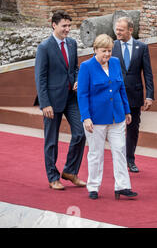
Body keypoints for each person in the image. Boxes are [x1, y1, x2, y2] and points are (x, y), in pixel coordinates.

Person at [77, 34, 137, 200]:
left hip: (116, 116)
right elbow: (82, 94)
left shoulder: (116, 62)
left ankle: (122, 186)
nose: (107, 54)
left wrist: (127, 111)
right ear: (95, 50)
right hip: (95, 118)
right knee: (96, 153)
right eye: (104, 51)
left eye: (109, 51)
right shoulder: (86, 67)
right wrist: (85, 117)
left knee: (119, 150)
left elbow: (121, 88)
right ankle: (93, 186)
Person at [34, 10, 86, 190]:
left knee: (80, 133)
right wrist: (45, 103)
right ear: (54, 25)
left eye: (69, 26)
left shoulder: (72, 44)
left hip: (71, 98)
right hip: (52, 101)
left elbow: (75, 68)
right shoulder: (44, 47)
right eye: (64, 26)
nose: (68, 29)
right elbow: (40, 78)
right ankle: (52, 177)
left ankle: (70, 171)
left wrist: (78, 79)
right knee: (51, 141)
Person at [112, 16, 154, 173]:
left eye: (121, 30)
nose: (117, 32)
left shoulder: (141, 47)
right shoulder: (112, 46)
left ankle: (130, 159)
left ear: (130, 30)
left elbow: (148, 73)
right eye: (116, 29)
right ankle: (118, 158)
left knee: (133, 128)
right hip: (115, 95)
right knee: (116, 127)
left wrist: (149, 95)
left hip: (135, 95)